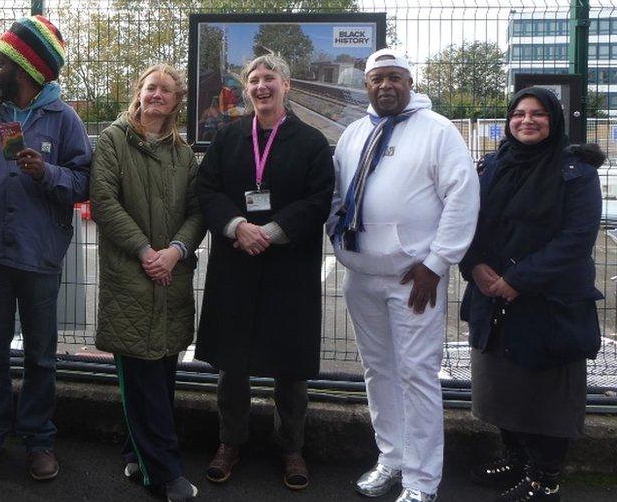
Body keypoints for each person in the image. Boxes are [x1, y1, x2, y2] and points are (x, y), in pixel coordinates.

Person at [328, 48, 479, 502]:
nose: (385, 86)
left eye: (395, 77)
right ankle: (390, 459)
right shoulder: (353, 133)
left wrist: (437, 263)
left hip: (414, 279)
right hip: (362, 276)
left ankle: (421, 480)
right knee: (378, 372)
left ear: (410, 83)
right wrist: (340, 246)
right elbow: (338, 198)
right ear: (367, 85)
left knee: (416, 375)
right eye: (377, 78)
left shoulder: (437, 131)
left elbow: (462, 197)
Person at [0, 15, 92, 481]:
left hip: (40, 258)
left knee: (40, 355)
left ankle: (38, 440)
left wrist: (46, 174)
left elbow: (83, 180)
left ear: (26, 70)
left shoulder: (63, 118)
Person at [195, 54, 334, 491]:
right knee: (231, 365)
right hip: (237, 262)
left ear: (286, 85)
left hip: (288, 268)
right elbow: (208, 189)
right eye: (253, 80)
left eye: (268, 78)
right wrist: (239, 226)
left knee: (289, 366)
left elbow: (318, 200)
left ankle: (291, 447)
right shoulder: (228, 136)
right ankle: (229, 441)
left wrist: (271, 232)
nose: (260, 87)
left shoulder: (311, 142)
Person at [460, 87, 604, 502]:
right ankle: (515, 458)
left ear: (554, 120)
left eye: (539, 114)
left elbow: (576, 238)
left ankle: (545, 478)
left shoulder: (577, 172)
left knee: (545, 396)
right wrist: (475, 266)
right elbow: (466, 221)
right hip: (493, 296)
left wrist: (519, 280)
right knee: (502, 387)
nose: (527, 120)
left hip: (549, 301)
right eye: (519, 113)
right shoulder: (492, 166)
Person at [91, 64, 203, 501]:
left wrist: (175, 250)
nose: (157, 95)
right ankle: (164, 471)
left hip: (171, 275)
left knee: (163, 373)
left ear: (176, 102)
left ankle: (135, 452)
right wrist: (145, 252)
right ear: (138, 92)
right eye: (150, 87)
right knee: (140, 376)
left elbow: (197, 211)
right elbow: (104, 202)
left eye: (166, 91)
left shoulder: (183, 152)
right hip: (131, 275)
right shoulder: (113, 140)